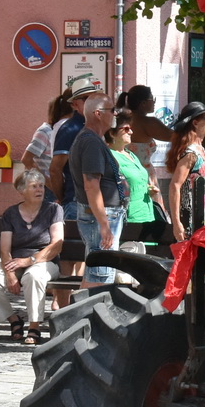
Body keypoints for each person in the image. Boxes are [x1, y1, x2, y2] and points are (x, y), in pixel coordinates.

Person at [0, 169, 64, 345]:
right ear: (21, 190)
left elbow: (56, 245)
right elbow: (4, 249)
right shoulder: (11, 213)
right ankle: (13, 319)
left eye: (41, 186)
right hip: (16, 261)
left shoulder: (53, 209)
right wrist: (9, 274)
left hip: (45, 261)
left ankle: (34, 326)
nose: (40, 190)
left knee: (33, 276)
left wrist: (30, 260)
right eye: (34, 186)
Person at [69, 93, 124, 285]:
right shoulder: (91, 142)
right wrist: (104, 224)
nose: (115, 114)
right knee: (100, 277)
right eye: (112, 110)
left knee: (96, 273)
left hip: (99, 216)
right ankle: (90, 315)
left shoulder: (92, 139)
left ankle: (82, 314)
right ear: (98, 113)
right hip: (99, 217)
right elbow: (91, 186)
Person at [48, 78, 97, 278]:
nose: (92, 102)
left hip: (95, 199)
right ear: (75, 103)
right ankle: (61, 304)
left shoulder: (97, 126)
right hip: (75, 199)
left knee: (88, 253)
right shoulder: (70, 129)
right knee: (70, 254)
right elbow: (55, 169)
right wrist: (63, 197)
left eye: (94, 98)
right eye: (86, 98)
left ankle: (78, 301)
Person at [109, 108, 163, 243]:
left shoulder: (130, 154)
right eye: (126, 129)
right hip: (131, 222)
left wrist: (148, 190)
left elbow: (136, 182)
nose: (131, 132)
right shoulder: (110, 156)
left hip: (148, 217)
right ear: (112, 133)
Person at [166, 101, 205, 241]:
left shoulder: (200, 149)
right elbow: (175, 185)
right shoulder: (191, 153)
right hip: (190, 222)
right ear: (195, 123)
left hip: (202, 217)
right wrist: (176, 224)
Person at [118, 84, 173, 188]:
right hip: (142, 176)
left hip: (123, 174)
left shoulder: (121, 120)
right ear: (143, 103)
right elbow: (173, 136)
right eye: (152, 99)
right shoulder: (148, 122)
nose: (154, 102)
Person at [22, 92, 73, 174]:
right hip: (46, 184)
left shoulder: (62, 131)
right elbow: (27, 159)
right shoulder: (45, 131)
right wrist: (46, 181)